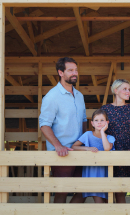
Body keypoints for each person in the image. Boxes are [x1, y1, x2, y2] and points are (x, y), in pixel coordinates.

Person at [39, 57, 87, 203]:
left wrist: (85, 142)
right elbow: (44, 124)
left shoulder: (79, 96)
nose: (75, 73)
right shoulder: (52, 96)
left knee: (84, 191)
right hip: (62, 153)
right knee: (62, 192)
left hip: (79, 150)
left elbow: (84, 121)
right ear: (60, 72)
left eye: (76, 70)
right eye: (70, 70)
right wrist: (58, 146)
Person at [101, 79, 130, 203]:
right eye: (125, 89)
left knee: (122, 189)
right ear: (116, 91)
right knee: (107, 189)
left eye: (129, 89)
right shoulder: (105, 109)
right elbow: (100, 130)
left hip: (127, 148)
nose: (128, 92)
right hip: (109, 148)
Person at [71, 109, 116, 203]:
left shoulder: (110, 138)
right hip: (90, 171)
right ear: (92, 123)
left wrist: (103, 132)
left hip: (104, 172)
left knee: (106, 200)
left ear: (107, 122)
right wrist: (87, 148)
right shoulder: (87, 135)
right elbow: (74, 147)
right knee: (95, 196)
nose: (99, 123)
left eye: (102, 120)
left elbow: (107, 148)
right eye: (96, 120)